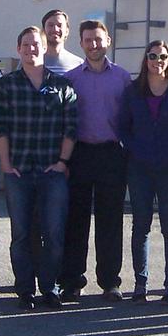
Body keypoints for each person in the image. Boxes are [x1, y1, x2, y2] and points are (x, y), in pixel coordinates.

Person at [0, 26, 79, 310]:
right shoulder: (7, 85)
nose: (31, 49)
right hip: (18, 170)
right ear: (18, 49)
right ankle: (24, 289)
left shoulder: (62, 85)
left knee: (53, 233)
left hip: (51, 172)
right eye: (26, 45)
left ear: (44, 48)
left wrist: (62, 162)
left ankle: (49, 287)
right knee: (21, 233)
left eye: (36, 44)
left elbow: (70, 128)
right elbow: (1, 128)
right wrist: (6, 165)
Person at [61, 20, 132, 301]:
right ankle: (72, 281)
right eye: (88, 40)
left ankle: (110, 281)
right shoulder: (71, 79)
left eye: (98, 39)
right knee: (75, 220)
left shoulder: (122, 78)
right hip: (79, 154)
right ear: (81, 43)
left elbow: (130, 118)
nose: (94, 44)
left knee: (110, 220)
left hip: (111, 154)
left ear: (108, 41)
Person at [119, 40, 168, 303]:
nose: (157, 61)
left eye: (163, 57)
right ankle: (140, 284)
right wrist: (135, 148)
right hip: (139, 167)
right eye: (152, 56)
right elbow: (123, 127)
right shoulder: (133, 91)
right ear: (146, 59)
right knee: (140, 225)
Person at [40, 8, 83, 73]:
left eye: (59, 25)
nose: (55, 29)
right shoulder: (33, 61)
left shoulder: (78, 64)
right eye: (50, 25)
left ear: (67, 31)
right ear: (43, 30)